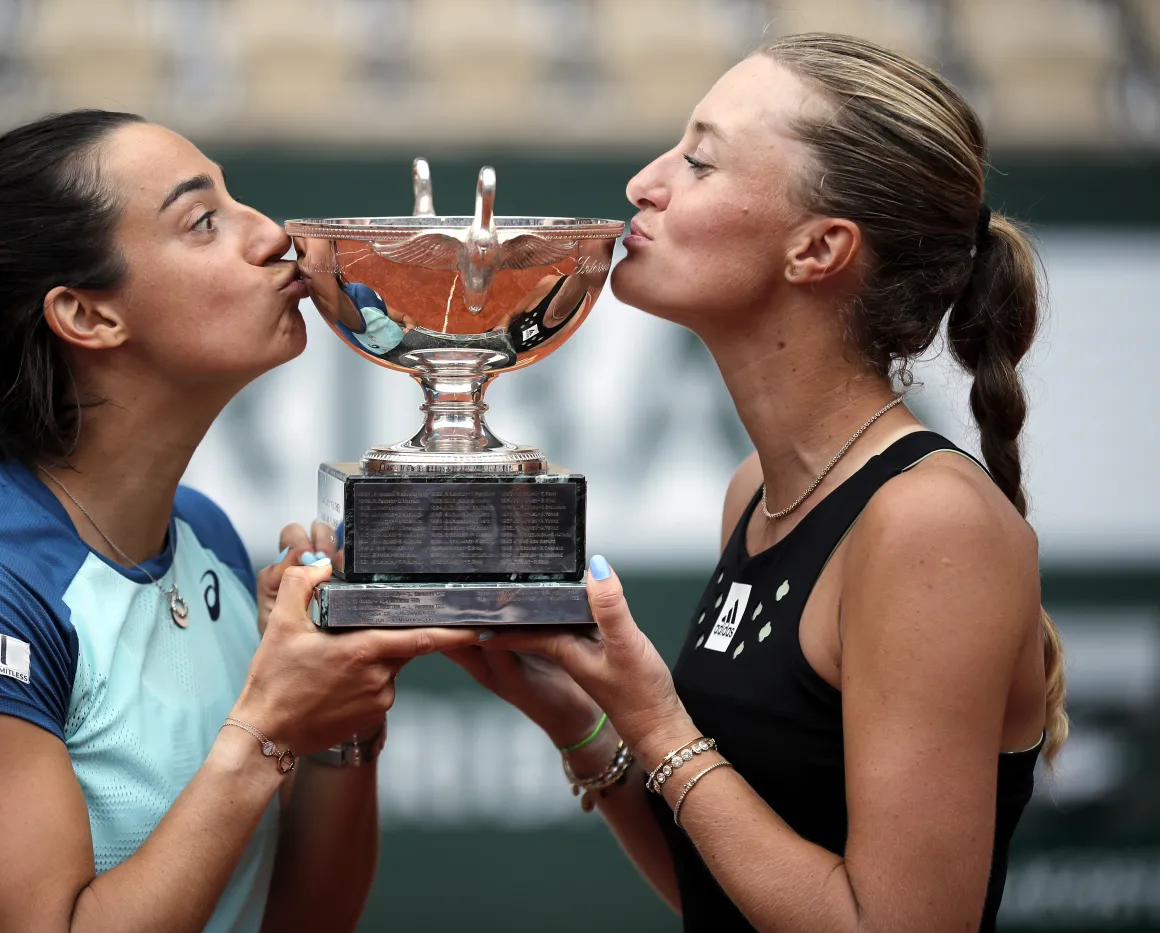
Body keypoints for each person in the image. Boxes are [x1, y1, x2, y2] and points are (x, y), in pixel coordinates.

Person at [448, 33, 1067, 933]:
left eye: (699, 161)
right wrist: (585, 718)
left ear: (818, 248)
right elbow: (733, 895)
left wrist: (660, 721)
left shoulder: (932, 522)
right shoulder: (757, 491)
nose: (644, 183)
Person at [0, 110, 482, 933]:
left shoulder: (202, 534)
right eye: (202, 221)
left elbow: (301, 919)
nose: (271, 234)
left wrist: (338, 723)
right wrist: (266, 727)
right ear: (89, 316)